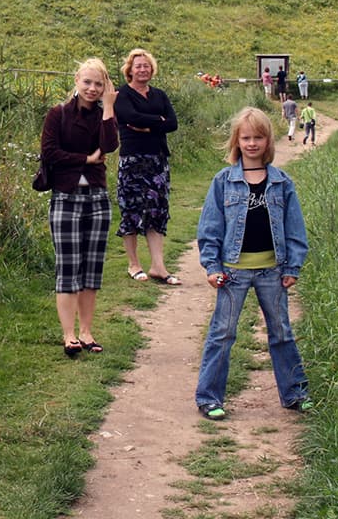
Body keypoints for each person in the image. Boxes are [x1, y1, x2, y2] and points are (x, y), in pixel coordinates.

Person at [195, 107, 312, 420]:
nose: (251, 144)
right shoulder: (223, 181)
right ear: (236, 141)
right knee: (222, 333)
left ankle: (295, 393)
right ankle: (209, 397)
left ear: (268, 141)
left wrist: (293, 267)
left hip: (273, 271)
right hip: (233, 272)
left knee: (281, 332)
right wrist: (212, 266)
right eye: (246, 138)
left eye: (258, 138)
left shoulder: (282, 182)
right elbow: (210, 228)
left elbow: (295, 228)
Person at [41, 58, 119, 357]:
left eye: (99, 84)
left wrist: (109, 107)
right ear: (76, 80)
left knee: (91, 268)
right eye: (87, 82)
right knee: (68, 266)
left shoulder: (102, 115)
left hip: (97, 198)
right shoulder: (58, 114)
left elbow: (109, 145)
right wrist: (85, 159)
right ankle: (69, 334)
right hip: (66, 196)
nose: (92, 88)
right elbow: (50, 153)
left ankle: (86, 332)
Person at [114, 49, 181, 286]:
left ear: (152, 69)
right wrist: (157, 121)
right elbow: (130, 117)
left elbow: (172, 123)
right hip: (133, 160)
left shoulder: (159, 95)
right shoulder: (121, 94)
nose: (143, 69)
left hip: (158, 160)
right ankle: (133, 264)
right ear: (130, 70)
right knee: (131, 209)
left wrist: (148, 126)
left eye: (146, 66)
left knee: (157, 210)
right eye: (138, 66)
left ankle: (158, 266)